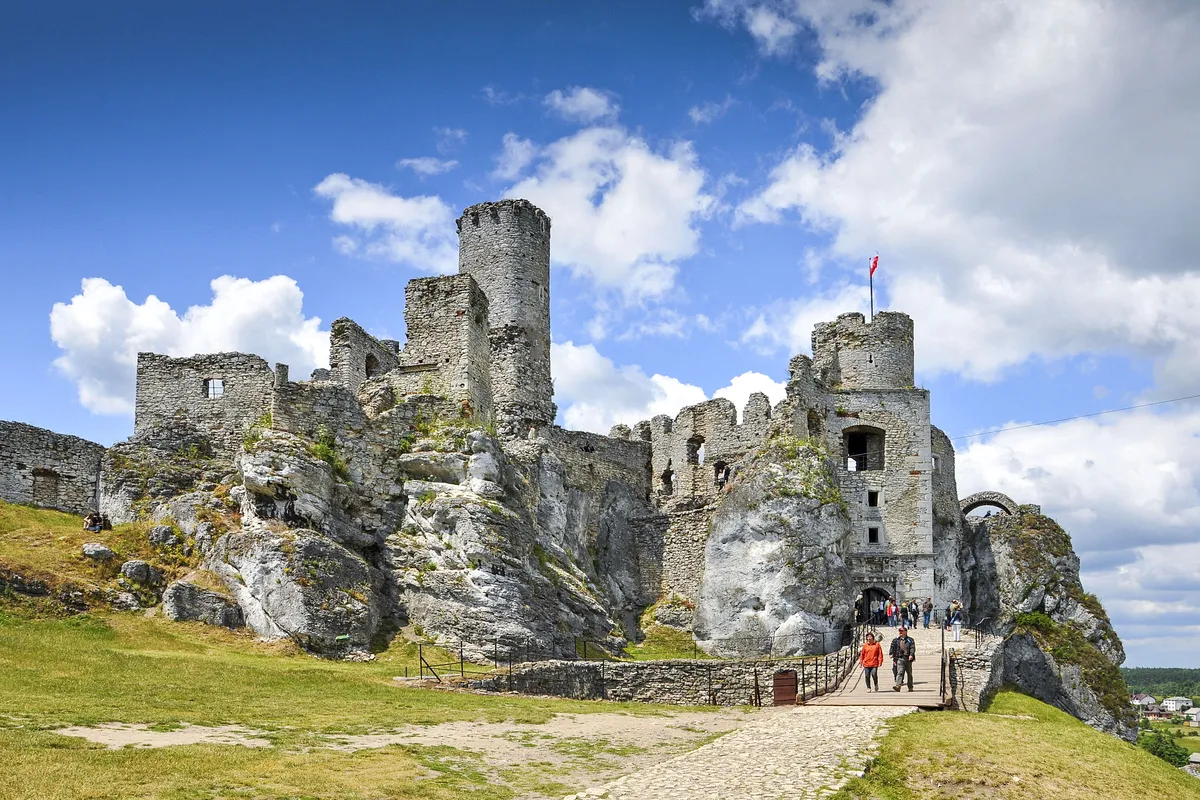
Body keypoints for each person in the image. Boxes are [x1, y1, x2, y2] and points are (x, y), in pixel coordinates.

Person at [890, 626, 916, 692]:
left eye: (902, 631)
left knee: (909, 673)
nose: (900, 632)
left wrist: (911, 655)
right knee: (900, 672)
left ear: (905, 632)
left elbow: (912, 648)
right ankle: (898, 686)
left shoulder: (910, 640)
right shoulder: (896, 640)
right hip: (900, 658)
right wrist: (891, 653)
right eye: (899, 631)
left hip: (908, 659)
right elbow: (892, 647)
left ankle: (910, 686)